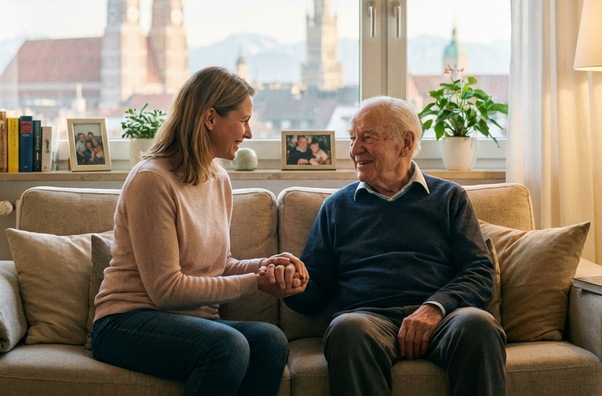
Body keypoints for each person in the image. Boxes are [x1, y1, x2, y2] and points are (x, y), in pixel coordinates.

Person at [92, 66, 309, 396]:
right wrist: (256, 283)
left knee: (271, 340)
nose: (249, 133)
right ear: (210, 118)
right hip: (127, 322)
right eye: (243, 120)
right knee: (227, 346)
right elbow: (166, 290)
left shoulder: (218, 178)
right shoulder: (152, 180)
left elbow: (218, 266)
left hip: (194, 323)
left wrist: (268, 266)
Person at [280, 96, 506, 396]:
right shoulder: (337, 207)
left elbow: (479, 271)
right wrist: (291, 286)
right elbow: (316, 291)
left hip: (443, 318)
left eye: (367, 138)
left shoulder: (449, 198)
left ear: (406, 143)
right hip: (369, 320)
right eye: (353, 138)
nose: (354, 149)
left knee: (479, 325)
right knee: (346, 329)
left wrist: (435, 308)